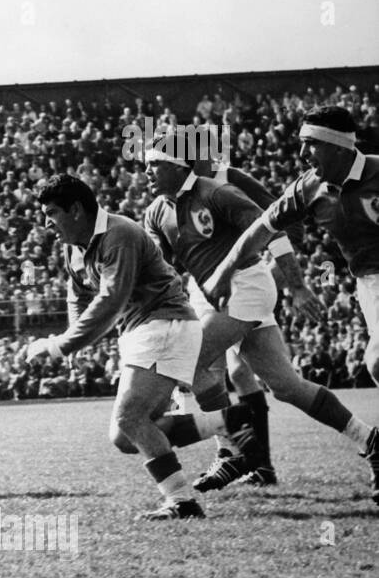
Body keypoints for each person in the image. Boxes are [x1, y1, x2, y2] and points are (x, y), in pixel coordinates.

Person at [140, 138, 373, 496]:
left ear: (176, 165)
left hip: (246, 285)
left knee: (189, 362)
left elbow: (273, 231)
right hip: (206, 293)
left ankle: (234, 449)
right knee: (286, 386)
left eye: (154, 164)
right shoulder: (156, 212)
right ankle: (369, 438)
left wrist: (295, 286)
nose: (146, 172)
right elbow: (165, 269)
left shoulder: (218, 192)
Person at [25, 174, 257, 521]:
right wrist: (73, 342)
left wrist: (60, 345)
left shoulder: (119, 234)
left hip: (163, 325)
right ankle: (230, 421)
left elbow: (111, 299)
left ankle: (182, 501)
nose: (47, 223)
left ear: (75, 210)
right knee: (124, 435)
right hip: (143, 331)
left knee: (130, 417)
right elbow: (79, 295)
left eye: (52, 213)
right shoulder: (74, 248)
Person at [203, 106, 379, 504]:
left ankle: (235, 452)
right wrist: (222, 274)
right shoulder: (309, 187)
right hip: (369, 283)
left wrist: (294, 284)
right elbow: (260, 229)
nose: (302, 155)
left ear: (337, 146)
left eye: (310, 145)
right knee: (277, 381)